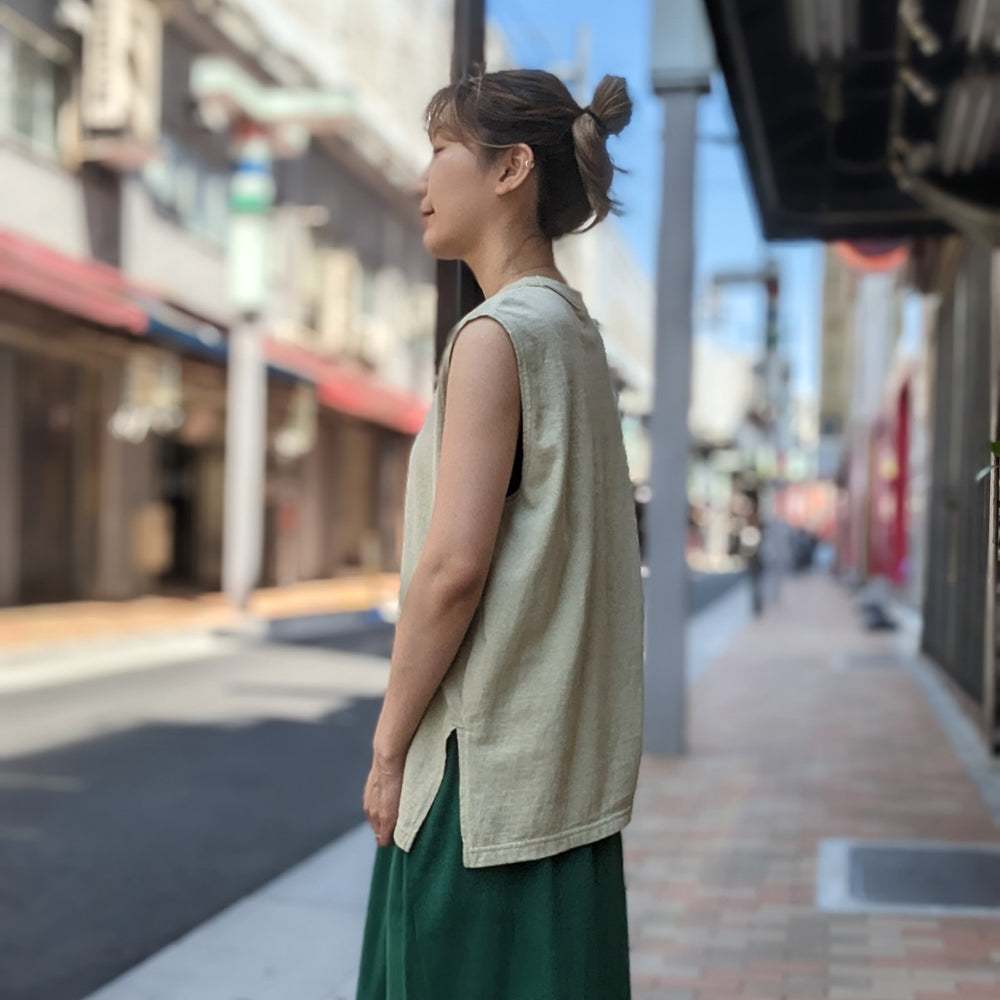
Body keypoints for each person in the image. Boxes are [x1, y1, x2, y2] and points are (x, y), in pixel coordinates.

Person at [356, 69, 645, 1000]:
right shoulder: (577, 337)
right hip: (565, 792)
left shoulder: (495, 336)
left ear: (512, 168)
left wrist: (389, 748)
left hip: (475, 793)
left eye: (442, 149)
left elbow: (451, 569)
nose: (423, 178)